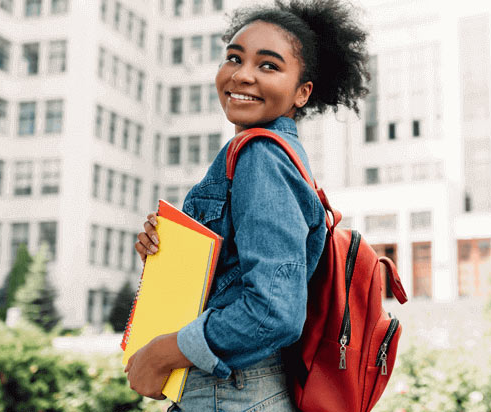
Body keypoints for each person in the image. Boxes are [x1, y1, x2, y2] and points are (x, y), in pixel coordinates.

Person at [125, 0, 369, 410]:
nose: (242, 74)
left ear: (302, 92)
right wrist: (169, 250)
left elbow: (272, 312)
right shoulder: (265, 154)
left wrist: (162, 353)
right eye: (233, 58)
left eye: (269, 66)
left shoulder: (261, 156)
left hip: (232, 393)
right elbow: (233, 279)